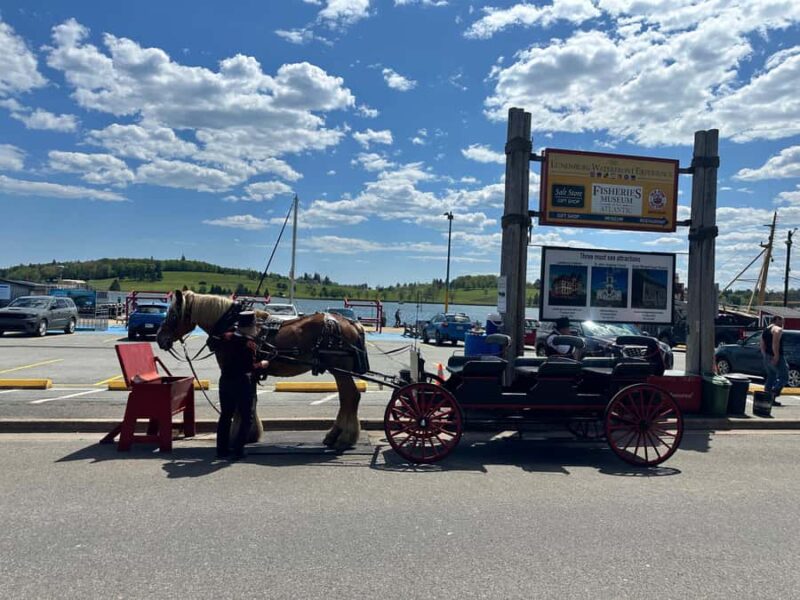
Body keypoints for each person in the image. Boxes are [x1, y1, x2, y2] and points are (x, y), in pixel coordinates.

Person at [215, 311, 269, 460]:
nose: (255, 328)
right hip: (242, 383)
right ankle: (238, 448)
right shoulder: (248, 345)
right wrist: (262, 364)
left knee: (226, 416)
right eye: (253, 326)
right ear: (247, 328)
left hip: (225, 381)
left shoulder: (226, 338)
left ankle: (221, 450)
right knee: (247, 416)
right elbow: (250, 367)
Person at [760, 315, 789, 406]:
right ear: (776, 320)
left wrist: (765, 356)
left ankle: (767, 398)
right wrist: (776, 356)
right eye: (782, 321)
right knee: (784, 377)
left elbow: (762, 345)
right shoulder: (777, 329)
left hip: (767, 356)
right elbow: (775, 343)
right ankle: (773, 394)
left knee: (771, 376)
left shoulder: (765, 330)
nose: (783, 324)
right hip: (776, 356)